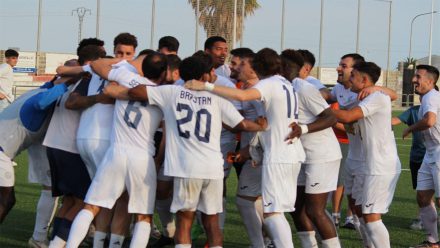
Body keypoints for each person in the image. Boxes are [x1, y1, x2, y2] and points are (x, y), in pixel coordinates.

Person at [101, 54, 266, 247]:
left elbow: (138, 92)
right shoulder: (216, 98)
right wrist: (261, 125)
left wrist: (117, 90)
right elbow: (242, 125)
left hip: (186, 167)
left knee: (185, 221)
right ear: (205, 76)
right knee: (212, 221)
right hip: (213, 168)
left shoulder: (171, 91)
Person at [185, 48, 306, 248]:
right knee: (261, 206)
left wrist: (205, 86)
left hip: (279, 153)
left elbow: (242, 97)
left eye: (243, 64)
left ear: (257, 67)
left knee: (273, 213)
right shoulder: (285, 83)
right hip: (283, 151)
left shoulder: (269, 83)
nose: (238, 67)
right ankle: (260, 244)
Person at [66, 52, 166, 248]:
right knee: (143, 216)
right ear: (163, 73)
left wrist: (122, 64)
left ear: (142, 66)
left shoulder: (128, 78)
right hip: (142, 158)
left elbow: (97, 64)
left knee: (91, 206)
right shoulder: (164, 93)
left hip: (116, 153)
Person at [333, 61, 401, 248]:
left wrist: (319, 110)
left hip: (380, 165)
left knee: (371, 216)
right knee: (359, 210)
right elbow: (349, 125)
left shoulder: (377, 97)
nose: (349, 77)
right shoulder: (360, 97)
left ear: (363, 79)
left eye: (352, 75)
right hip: (368, 164)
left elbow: (346, 117)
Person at [281, 49, 342, 248]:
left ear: (300, 69)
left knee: (315, 210)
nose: (283, 69)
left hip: (321, 155)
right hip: (299, 154)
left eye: (287, 66)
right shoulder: (281, 87)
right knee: (296, 207)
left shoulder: (304, 88)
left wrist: (304, 129)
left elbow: (330, 117)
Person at [45, 46, 104, 248]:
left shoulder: (71, 79)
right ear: (95, 62)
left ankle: (55, 241)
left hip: (54, 144)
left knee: (69, 201)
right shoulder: (88, 78)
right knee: (80, 202)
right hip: (70, 147)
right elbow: (74, 104)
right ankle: (58, 245)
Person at [403, 65, 440, 248]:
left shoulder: (432, 96)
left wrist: (411, 127)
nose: (414, 80)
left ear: (430, 81)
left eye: (418, 76)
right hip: (431, 152)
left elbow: (430, 121)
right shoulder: (426, 98)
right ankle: (433, 242)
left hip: (439, 151)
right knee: (423, 197)